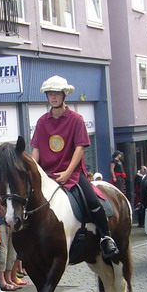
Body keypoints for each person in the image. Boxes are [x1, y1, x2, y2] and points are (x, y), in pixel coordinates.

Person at [30, 76, 120, 264]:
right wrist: (34, 172)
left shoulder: (76, 119)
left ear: (64, 95)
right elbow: (36, 149)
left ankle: (105, 237)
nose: (53, 97)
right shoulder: (41, 121)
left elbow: (79, 148)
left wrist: (69, 172)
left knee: (93, 200)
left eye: (56, 94)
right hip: (47, 175)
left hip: (72, 174)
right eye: (50, 94)